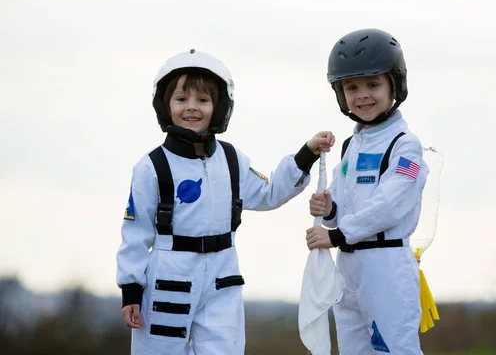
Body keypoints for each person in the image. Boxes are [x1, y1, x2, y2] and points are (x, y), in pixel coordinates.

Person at [116, 48, 334, 355]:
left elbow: (269, 194)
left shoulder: (232, 160)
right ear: (165, 106)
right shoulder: (151, 167)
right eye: (181, 100)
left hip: (222, 279)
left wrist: (306, 155)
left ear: (219, 108)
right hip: (168, 279)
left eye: (203, 100)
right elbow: (135, 235)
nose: (192, 108)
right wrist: (131, 292)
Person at [306, 28, 429, 354]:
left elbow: (391, 204)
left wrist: (336, 235)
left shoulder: (406, 146)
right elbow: (343, 205)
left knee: (395, 349)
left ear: (395, 85)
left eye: (373, 84)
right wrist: (329, 208)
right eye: (351, 87)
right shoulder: (351, 146)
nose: (362, 95)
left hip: (386, 265)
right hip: (349, 269)